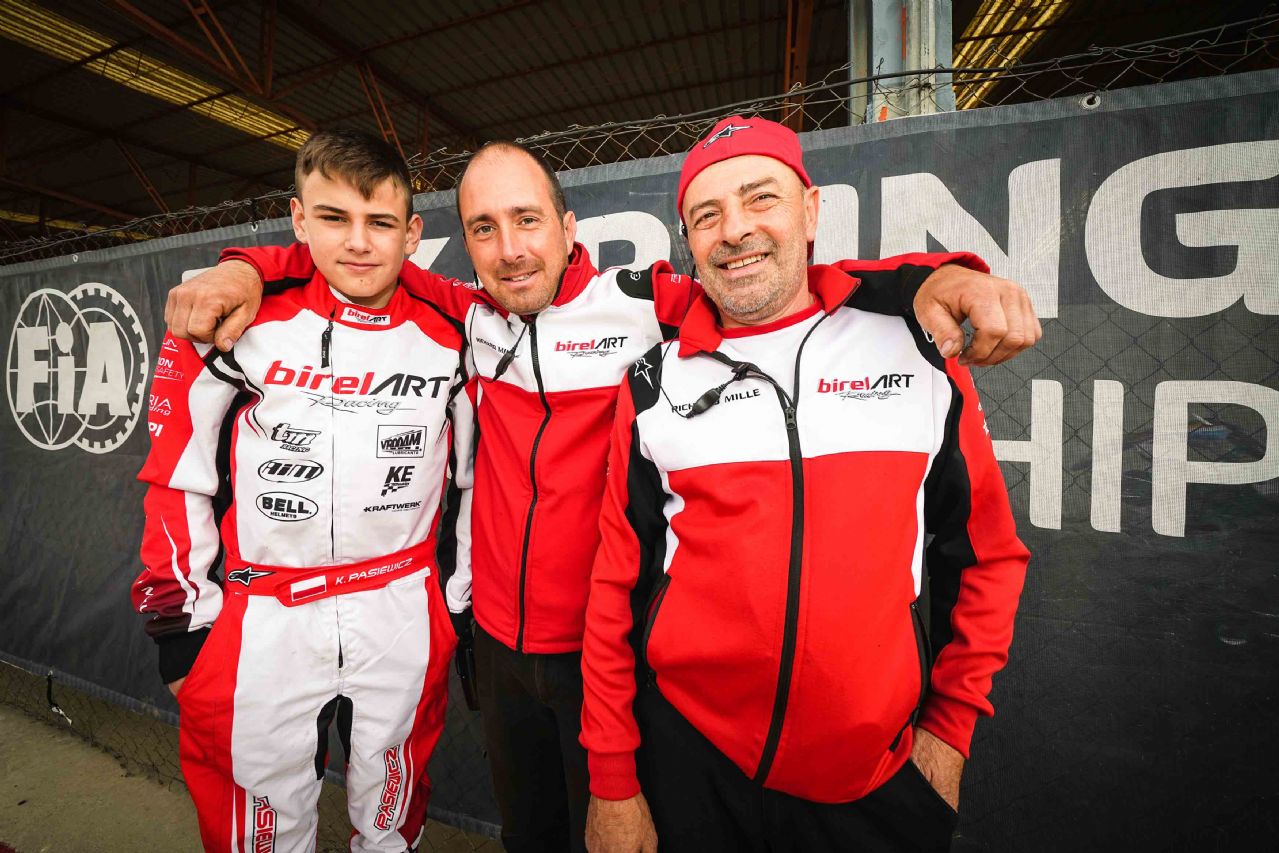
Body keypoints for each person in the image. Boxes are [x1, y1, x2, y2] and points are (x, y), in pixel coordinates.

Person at [163, 134, 1040, 852]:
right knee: (531, 836)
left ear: (568, 225)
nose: (509, 248)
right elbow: (352, 260)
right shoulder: (464, 314)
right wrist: (243, 268)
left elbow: (776, 285)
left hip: (604, 657)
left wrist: (930, 278)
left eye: (526, 220)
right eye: (483, 229)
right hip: (498, 649)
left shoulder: (644, 304)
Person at [578, 116, 1032, 853]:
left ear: (811, 210)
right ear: (688, 240)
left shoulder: (918, 349)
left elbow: (987, 560)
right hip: (690, 763)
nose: (734, 230)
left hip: (873, 782)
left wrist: (948, 735)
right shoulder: (653, 383)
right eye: (706, 215)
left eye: (761, 198)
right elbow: (613, 591)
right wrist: (612, 779)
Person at [133, 130, 474, 853]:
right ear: (297, 218)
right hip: (265, 614)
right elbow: (176, 477)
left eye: (380, 222)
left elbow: (475, 481)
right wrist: (179, 631)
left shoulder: (459, 327)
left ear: (413, 233)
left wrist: (455, 606)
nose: (358, 243)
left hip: (401, 605)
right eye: (333, 218)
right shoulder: (234, 314)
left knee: (391, 816)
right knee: (261, 829)